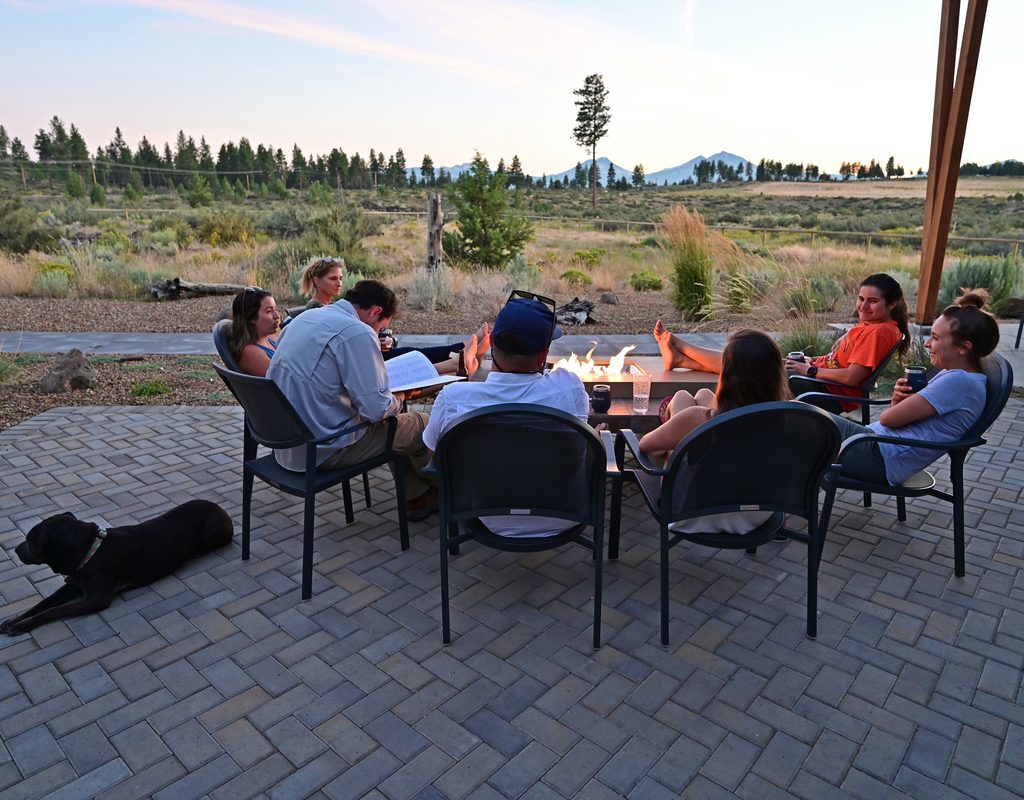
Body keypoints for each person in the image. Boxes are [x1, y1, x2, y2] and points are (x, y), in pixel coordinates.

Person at [267, 279, 439, 520]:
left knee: (396, 427)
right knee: (420, 423)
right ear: (376, 311)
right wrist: (400, 395)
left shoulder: (306, 318)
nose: (378, 334)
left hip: (286, 444)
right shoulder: (357, 332)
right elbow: (376, 410)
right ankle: (443, 491)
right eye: (381, 328)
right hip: (323, 448)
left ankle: (417, 497)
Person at [422, 295, 590, 537]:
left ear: (492, 346)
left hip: (487, 515)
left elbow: (435, 454)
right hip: (565, 514)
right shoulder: (570, 389)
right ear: (543, 355)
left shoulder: (454, 398)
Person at [654, 273, 911, 412]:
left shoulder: (879, 332)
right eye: (860, 298)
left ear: (892, 304)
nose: (863, 306)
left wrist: (808, 370)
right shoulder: (875, 326)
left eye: (872, 301)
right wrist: (811, 362)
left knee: (747, 362)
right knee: (750, 361)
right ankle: (681, 358)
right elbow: (842, 364)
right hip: (819, 380)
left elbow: (853, 378)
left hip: (825, 392)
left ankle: (681, 347)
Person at [830, 290, 1000, 486]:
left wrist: (897, 405)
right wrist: (897, 399)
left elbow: (888, 419)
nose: (927, 343)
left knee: (797, 419)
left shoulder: (959, 382)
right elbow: (894, 420)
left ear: (964, 347)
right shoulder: (960, 376)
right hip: (873, 444)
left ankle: (793, 501)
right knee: (796, 419)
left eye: (935, 338)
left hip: (878, 457)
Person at [639, 329, 789, 534]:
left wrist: (671, 444)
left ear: (727, 375)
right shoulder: (789, 419)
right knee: (702, 395)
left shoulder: (698, 418)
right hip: (756, 514)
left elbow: (645, 445)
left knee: (683, 403)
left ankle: (673, 435)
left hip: (693, 511)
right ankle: (678, 433)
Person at [293, 256, 489, 376]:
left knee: (410, 354)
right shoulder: (316, 312)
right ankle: (458, 357)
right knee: (408, 359)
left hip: (362, 360)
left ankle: (459, 355)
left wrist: (379, 340)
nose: (339, 283)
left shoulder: (336, 308)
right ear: (317, 281)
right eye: (333, 278)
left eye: (341, 278)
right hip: (360, 365)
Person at [228, 287, 281, 377]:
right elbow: (284, 381)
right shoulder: (250, 352)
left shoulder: (270, 338)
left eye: (275, 309)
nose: (277, 316)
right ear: (251, 317)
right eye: (269, 311)